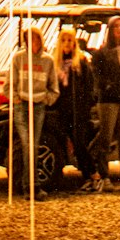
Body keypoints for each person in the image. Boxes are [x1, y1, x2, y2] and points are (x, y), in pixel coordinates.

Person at [10, 26, 59, 200]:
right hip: (21, 106)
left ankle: (28, 187)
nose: (33, 43)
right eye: (29, 39)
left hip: (38, 107)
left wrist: (46, 99)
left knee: (32, 145)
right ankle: (32, 187)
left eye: (35, 39)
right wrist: (15, 98)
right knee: (28, 145)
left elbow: (54, 88)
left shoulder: (48, 61)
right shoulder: (18, 58)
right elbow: (9, 83)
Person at [91, 14, 120, 190]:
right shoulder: (101, 52)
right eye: (117, 27)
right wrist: (107, 87)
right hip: (108, 101)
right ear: (110, 30)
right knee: (106, 138)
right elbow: (97, 75)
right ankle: (105, 175)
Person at [52, 27, 97, 190]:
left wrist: (85, 106)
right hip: (64, 110)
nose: (66, 43)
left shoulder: (81, 62)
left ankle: (94, 175)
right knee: (74, 145)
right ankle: (88, 176)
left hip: (79, 110)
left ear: (74, 43)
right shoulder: (56, 63)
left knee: (80, 144)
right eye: (63, 40)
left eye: (70, 40)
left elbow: (89, 86)